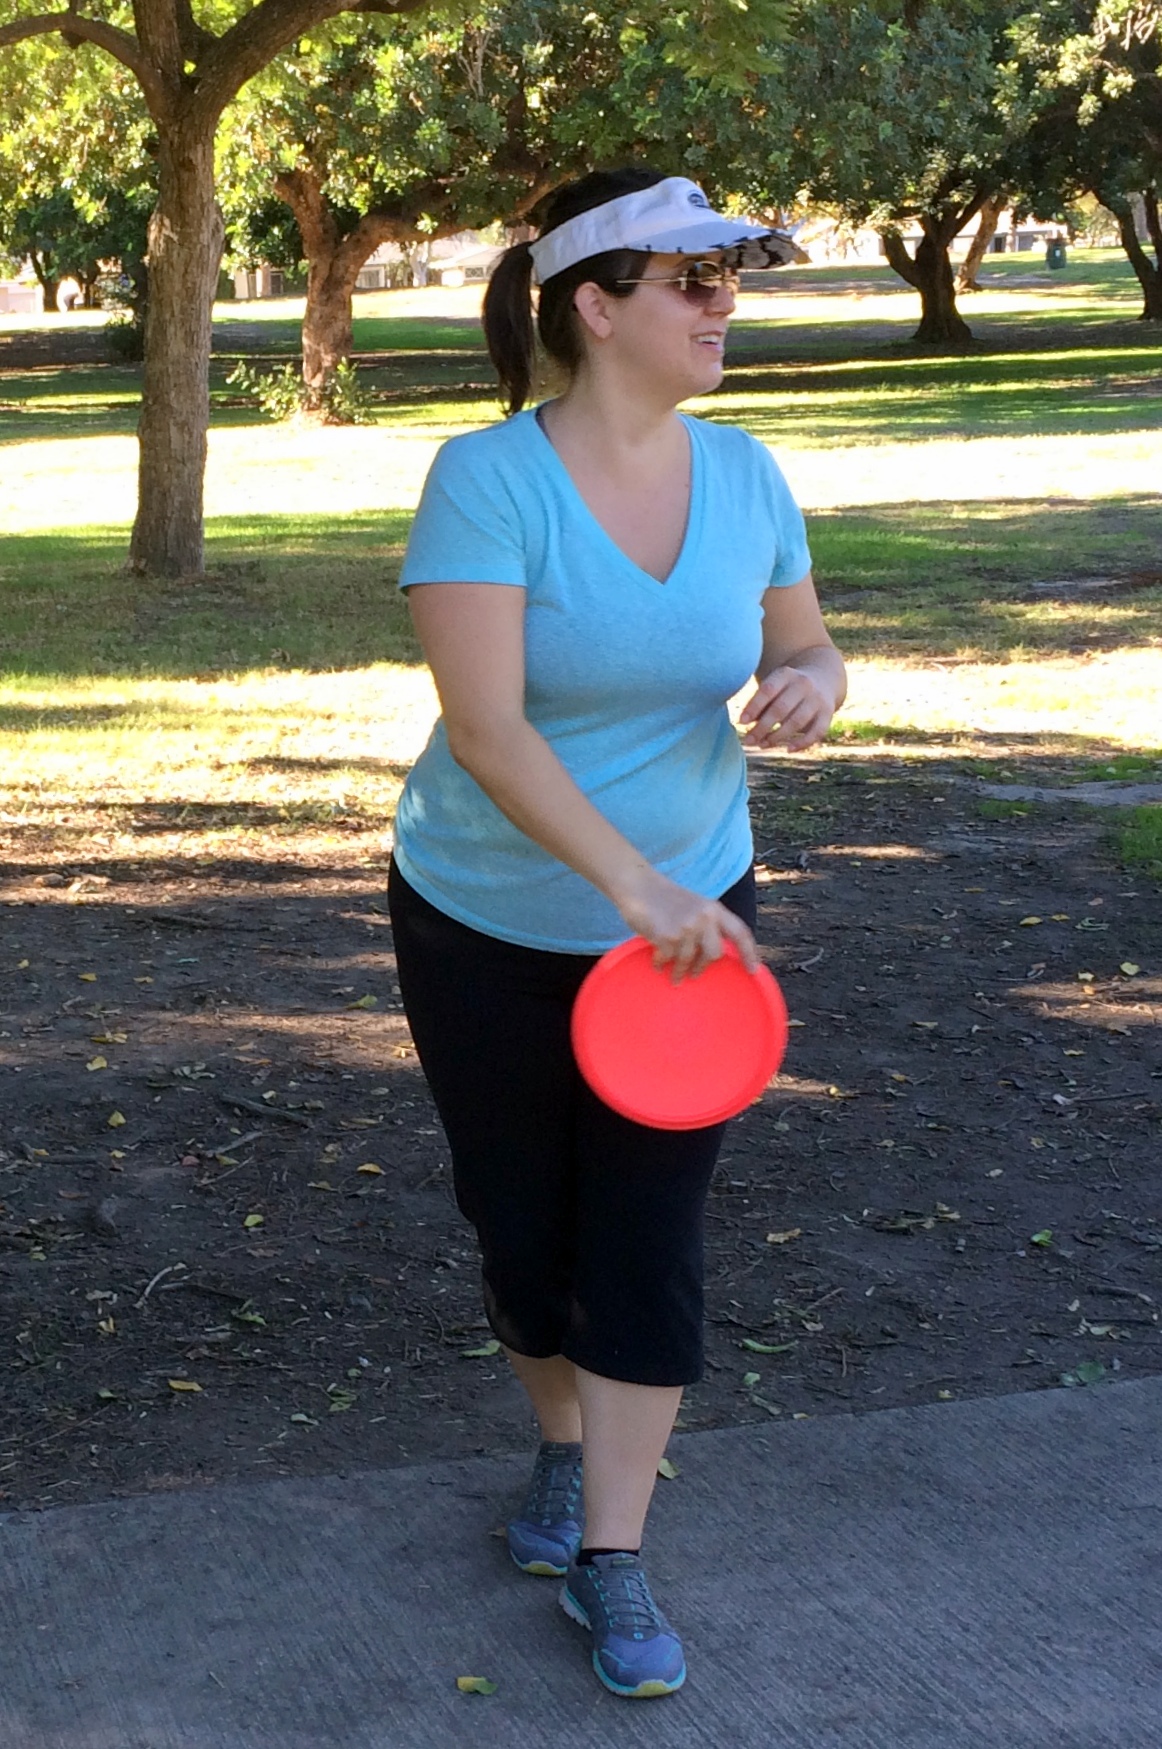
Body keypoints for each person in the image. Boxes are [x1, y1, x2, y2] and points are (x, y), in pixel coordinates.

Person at [388, 167, 846, 1699]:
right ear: (595, 304)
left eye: (731, 277)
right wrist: (627, 884)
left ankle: (612, 1548)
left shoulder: (749, 473)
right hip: (489, 916)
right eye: (693, 280)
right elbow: (489, 731)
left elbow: (804, 634)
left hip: (688, 930)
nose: (724, 304)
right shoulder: (486, 481)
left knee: (647, 1233)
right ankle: (557, 1438)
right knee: (521, 1230)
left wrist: (813, 680)